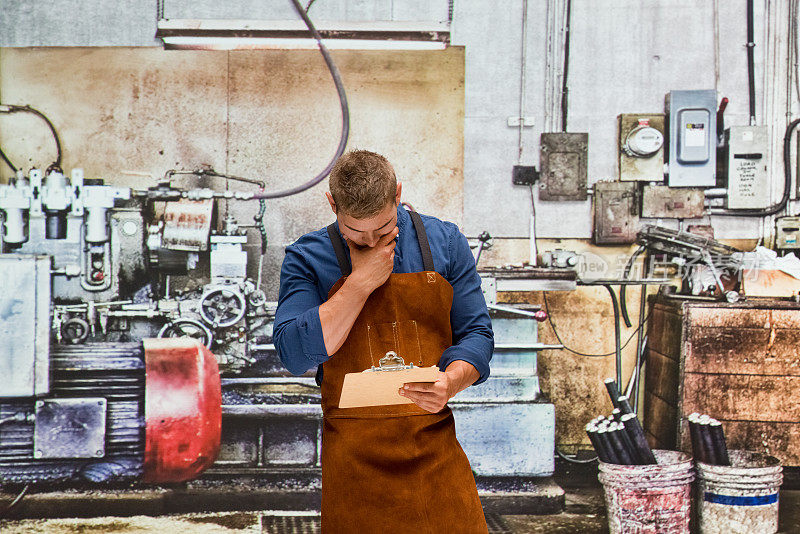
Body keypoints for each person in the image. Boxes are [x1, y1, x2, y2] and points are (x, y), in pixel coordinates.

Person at [274, 149, 493, 533]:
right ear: (332, 204)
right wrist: (359, 284)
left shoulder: (444, 242)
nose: (372, 240)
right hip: (353, 459)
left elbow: (477, 333)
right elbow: (293, 353)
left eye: (384, 227)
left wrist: (452, 381)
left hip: (433, 449)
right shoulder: (307, 257)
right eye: (356, 232)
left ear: (398, 194)